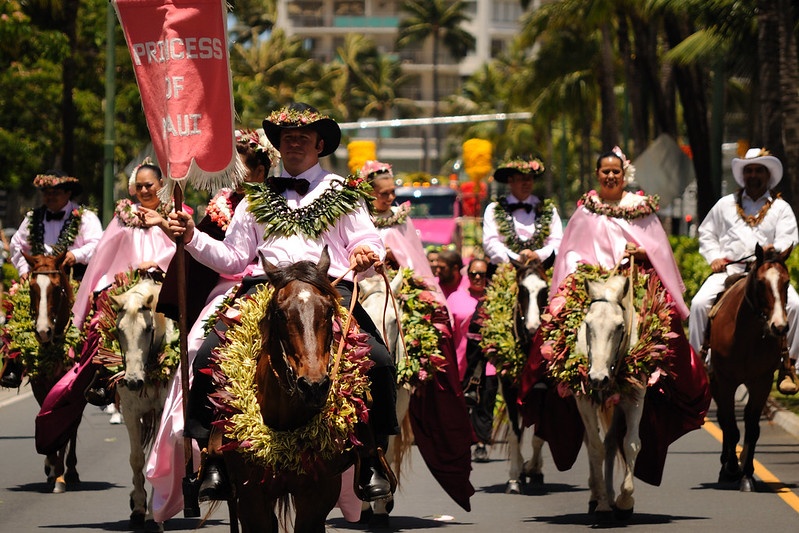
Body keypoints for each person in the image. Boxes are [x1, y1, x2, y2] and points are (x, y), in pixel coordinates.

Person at [167, 102, 397, 504]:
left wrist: (364, 252)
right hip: (264, 291)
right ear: (279, 144)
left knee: (379, 360)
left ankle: (371, 455)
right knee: (205, 355)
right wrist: (190, 236)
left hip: (328, 291)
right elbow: (233, 259)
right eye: (287, 137)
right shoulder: (255, 199)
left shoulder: (343, 192)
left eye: (302, 137)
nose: (294, 143)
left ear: (319, 144)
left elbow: (367, 239)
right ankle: (213, 458)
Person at [519, 148, 710, 486]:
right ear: (598, 175)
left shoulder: (641, 210)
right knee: (554, 326)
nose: (610, 177)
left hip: (632, 281)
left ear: (625, 175)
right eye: (604, 172)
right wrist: (583, 271)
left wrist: (643, 252)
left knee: (666, 326)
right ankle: (543, 383)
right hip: (591, 284)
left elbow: (659, 251)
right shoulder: (585, 212)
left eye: (615, 172)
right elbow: (570, 251)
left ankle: (677, 385)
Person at [146, 129, 278, 523]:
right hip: (233, 287)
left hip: (285, 284)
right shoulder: (223, 205)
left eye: (244, 167)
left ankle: (361, 449)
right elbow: (225, 259)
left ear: (261, 168)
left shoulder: (283, 198)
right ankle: (206, 446)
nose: (236, 175)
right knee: (192, 349)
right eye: (232, 168)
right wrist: (188, 236)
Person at [689, 148, 799, 395]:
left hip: (766, 274)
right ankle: (697, 367)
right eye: (748, 170)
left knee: (795, 305)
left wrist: (774, 250)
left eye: (758, 170)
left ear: (767, 175)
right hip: (730, 270)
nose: (753, 175)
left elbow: (789, 238)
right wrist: (714, 257)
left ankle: (789, 366)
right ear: (743, 175)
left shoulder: (781, 208)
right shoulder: (725, 204)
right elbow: (707, 233)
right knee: (698, 304)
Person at [73, 158, 177, 405]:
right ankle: (102, 378)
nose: (143, 191)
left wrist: (156, 263)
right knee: (101, 320)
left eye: (149, 185)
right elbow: (102, 256)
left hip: (163, 284)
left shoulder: (173, 214)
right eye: (139, 186)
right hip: (125, 286)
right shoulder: (123, 217)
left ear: (161, 184)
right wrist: (99, 286)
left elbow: (181, 249)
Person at [1, 171, 103, 389]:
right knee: (14, 307)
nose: (49, 197)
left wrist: (76, 255)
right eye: (46, 193)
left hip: (75, 276)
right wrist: (23, 271)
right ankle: (13, 366)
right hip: (39, 275)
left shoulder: (84, 217)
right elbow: (18, 246)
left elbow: (97, 243)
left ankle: (100, 372)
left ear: (68, 192)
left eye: (55, 192)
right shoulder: (32, 218)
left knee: (101, 316)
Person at [362, 159, 442, 296]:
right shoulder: (361, 218)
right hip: (369, 285)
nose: (391, 197)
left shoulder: (400, 217)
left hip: (403, 285)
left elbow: (416, 256)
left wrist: (395, 254)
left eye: (392, 192)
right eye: (384, 193)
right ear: (370, 193)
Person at [447, 258, 495, 462]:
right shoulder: (455, 298)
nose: (477, 277)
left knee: (485, 402)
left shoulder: (494, 299)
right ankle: (464, 443)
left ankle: (482, 443)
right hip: (461, 361)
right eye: (473, 274)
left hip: (488, 363)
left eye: (481, 274)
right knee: (462, 405)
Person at [482, 156, 562, 275]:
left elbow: (557, 241)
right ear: (510, 180)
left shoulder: (548, 209)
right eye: (521, 178)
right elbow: (490, 242)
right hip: (505, 273)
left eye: (530, 178)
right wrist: (516, 259)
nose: (527, 183)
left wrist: (537, 255)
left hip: (542, 273)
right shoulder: (494, 209)